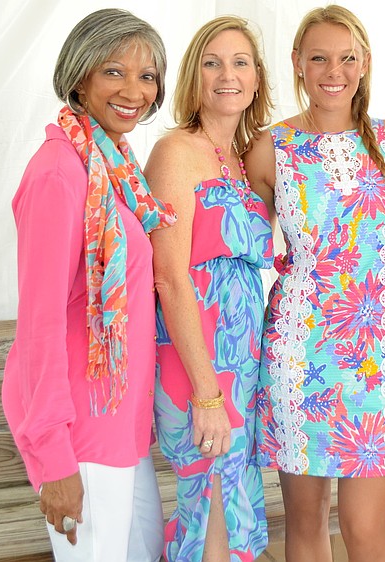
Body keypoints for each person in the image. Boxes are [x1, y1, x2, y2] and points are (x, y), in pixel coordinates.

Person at [1, 8, 176, 561]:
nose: (134, 90)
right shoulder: (58, 171)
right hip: (78, 430)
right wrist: (54, 460)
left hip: (118, 423)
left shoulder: (113, 167)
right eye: (113, 72)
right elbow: (40, 325)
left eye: (146, 76)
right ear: (80, 76)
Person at [245, 5, 385, 561]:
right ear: (297, 63)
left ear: (364, 64)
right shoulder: (271, 147)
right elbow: (244, 251)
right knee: (307, 525)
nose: (332, 70)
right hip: (300, 352)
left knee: (367, 530)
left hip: (375, 358)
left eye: (346, 58)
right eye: (318, 57)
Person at [143, 16, 274, 562]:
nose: (228, 74)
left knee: (231, 494)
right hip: (197, 362)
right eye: (212, 62)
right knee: (208, 501)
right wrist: (206, 393)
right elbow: (170, 278)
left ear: (257, 78)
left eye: (240, 62)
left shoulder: (243, 163)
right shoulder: (176, 152)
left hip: (239, 360)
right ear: (193, 77)